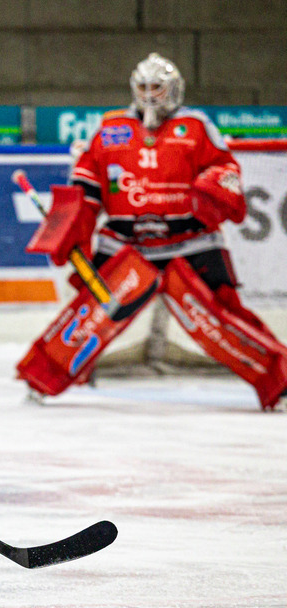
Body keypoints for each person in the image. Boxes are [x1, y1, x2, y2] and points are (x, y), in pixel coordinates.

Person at [17, 53, 287, 410]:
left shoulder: (196, 126)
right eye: (142, 87)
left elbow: (226, 170)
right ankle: (43, 375)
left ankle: (279, 382)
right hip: (126, 245)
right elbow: (86, 187)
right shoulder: (111, 128)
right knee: (92, 314)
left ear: (173, 88)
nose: (149, 95)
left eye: (157, 87)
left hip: (190, 243)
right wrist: (69, 228)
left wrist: (213, 191)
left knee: (219, 320)